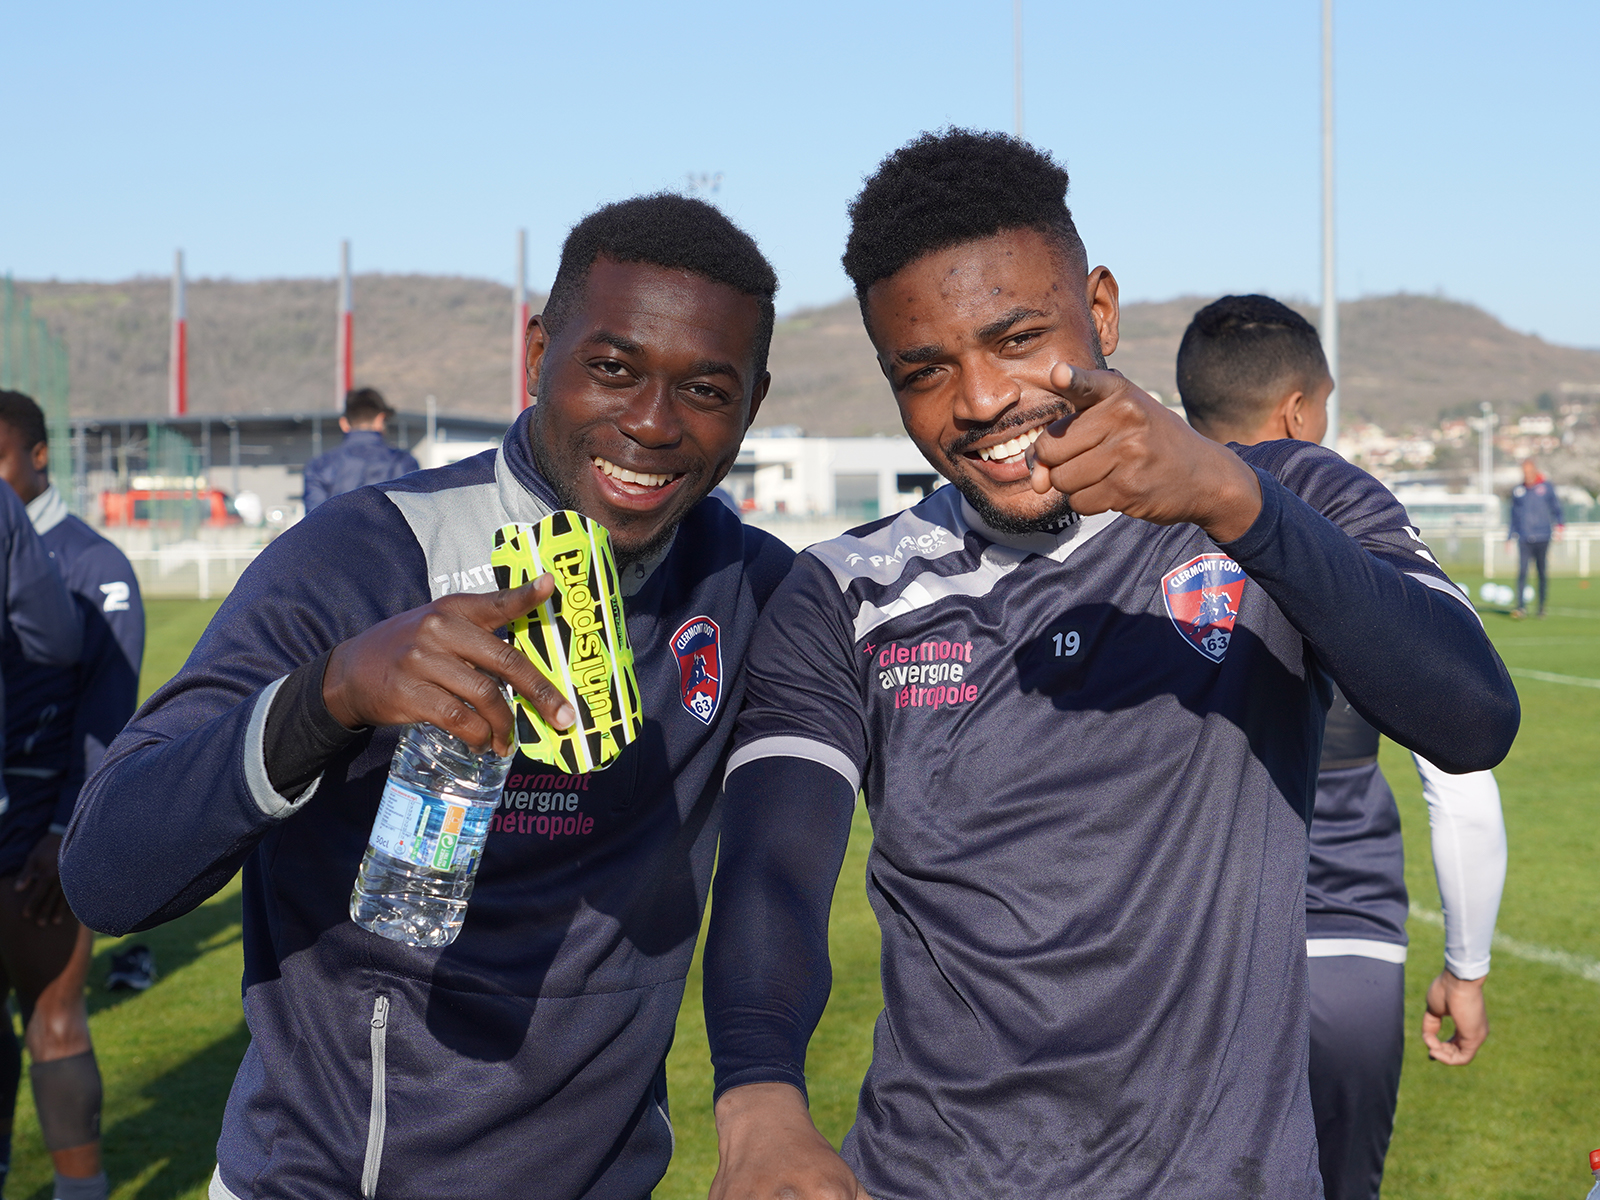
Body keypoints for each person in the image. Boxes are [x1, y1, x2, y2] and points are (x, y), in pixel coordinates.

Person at [700, 130, 1519, 1199]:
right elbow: (775, 864)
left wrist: (1232, 499)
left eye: (1016, 338)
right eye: (926, 371)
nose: (983, 398)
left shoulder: (1286, 498)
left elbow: (1469, 717)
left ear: (1102, 309)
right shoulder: (849, 589)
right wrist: (759, 1094)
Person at [59, 194, 794, 1200]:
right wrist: (329, 697)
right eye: (613, 368)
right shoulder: (362, 555)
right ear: (540, 349)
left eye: (706, 389)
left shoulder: (754, 588)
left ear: (752, 403)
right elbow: (106, 874)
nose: (652, 424)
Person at [1177, 295, 1509, 1200]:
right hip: (1348, 957)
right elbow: (1463, 784)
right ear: (1297, 412)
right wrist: (1467, 966)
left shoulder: (1131, 550)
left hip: (1181, 972)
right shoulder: (1349, 546)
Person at [0, 392, 142, 1200]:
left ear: (39, 456)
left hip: (40, 834)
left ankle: (80, 1192)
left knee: (53, 1017)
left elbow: (107, 717)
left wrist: (64, 829)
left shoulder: (97, 568)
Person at [302, 387, 421, 511]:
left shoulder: (319, 465)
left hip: (339, 530)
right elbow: (413, 514)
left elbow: (314, 518)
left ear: (344, 423)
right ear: (380, 419)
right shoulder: (403, 462)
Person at [1507, 457, 1563, 618]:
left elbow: (1556, 508)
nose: (1526, 475)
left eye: (1529, 471)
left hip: (1543, 536)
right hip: (1524, 537)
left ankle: (1541, 607)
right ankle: (1520, 607)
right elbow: (1514, 515)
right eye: (1524, 472)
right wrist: (1510, 536)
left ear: (1535, 471)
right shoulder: (1518, 491)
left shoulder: (1546, 488)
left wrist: (1560, 526)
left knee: (1541, 572)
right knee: (1522, 571)